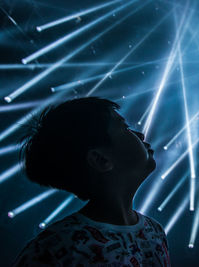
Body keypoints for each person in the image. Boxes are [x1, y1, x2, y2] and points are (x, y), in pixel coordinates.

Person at [13, 97, 170, 266]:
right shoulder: (54, 249)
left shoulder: (154, 231)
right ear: (100, 159)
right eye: (125, 128)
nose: (140, 134)